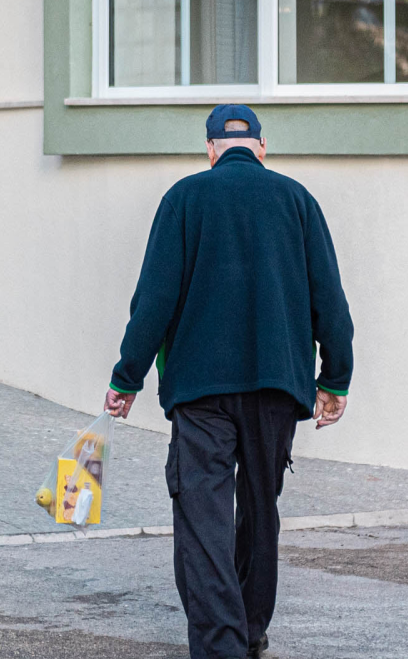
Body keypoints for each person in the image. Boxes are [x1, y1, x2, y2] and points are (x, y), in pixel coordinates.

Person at [102, 105, 353, 659]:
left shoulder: (184, 199)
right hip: (277, 389)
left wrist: (127, 377)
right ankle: (251, 630)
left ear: (211, 148)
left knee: (204, 514)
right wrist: (334, 380)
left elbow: (153, 302)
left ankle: (220, 644)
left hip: (201, 390)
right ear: (262, 147)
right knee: (261, 510)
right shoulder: (297, 201)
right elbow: (330, 301)